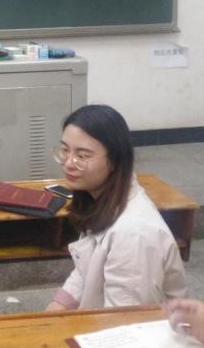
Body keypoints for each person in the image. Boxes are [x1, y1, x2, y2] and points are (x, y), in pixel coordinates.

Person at [45, 104, 187, 310]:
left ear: (114, 160)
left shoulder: (134, 235)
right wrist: (57, 307)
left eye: (82, 156)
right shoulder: (102, 198)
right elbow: (87, 268)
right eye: (65, 150)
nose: (68, 163)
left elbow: (126, 319)